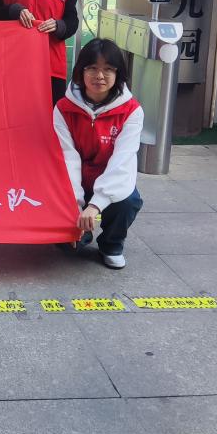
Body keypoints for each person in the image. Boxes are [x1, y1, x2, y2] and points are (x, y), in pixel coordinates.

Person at [54, 38, 144, 270]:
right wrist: (75, 205)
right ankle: (79, 234)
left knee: (128, 201)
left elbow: (122, 161)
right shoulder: (63, 108)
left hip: (110, 178)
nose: (99, 76)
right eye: (92, 68)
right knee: (69, 245)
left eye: (108, 69)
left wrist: (95, 205)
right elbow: (67, 157)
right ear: (81, 71)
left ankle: (111, 244)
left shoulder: (131, 111)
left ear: (118, 74)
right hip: (76, 181)